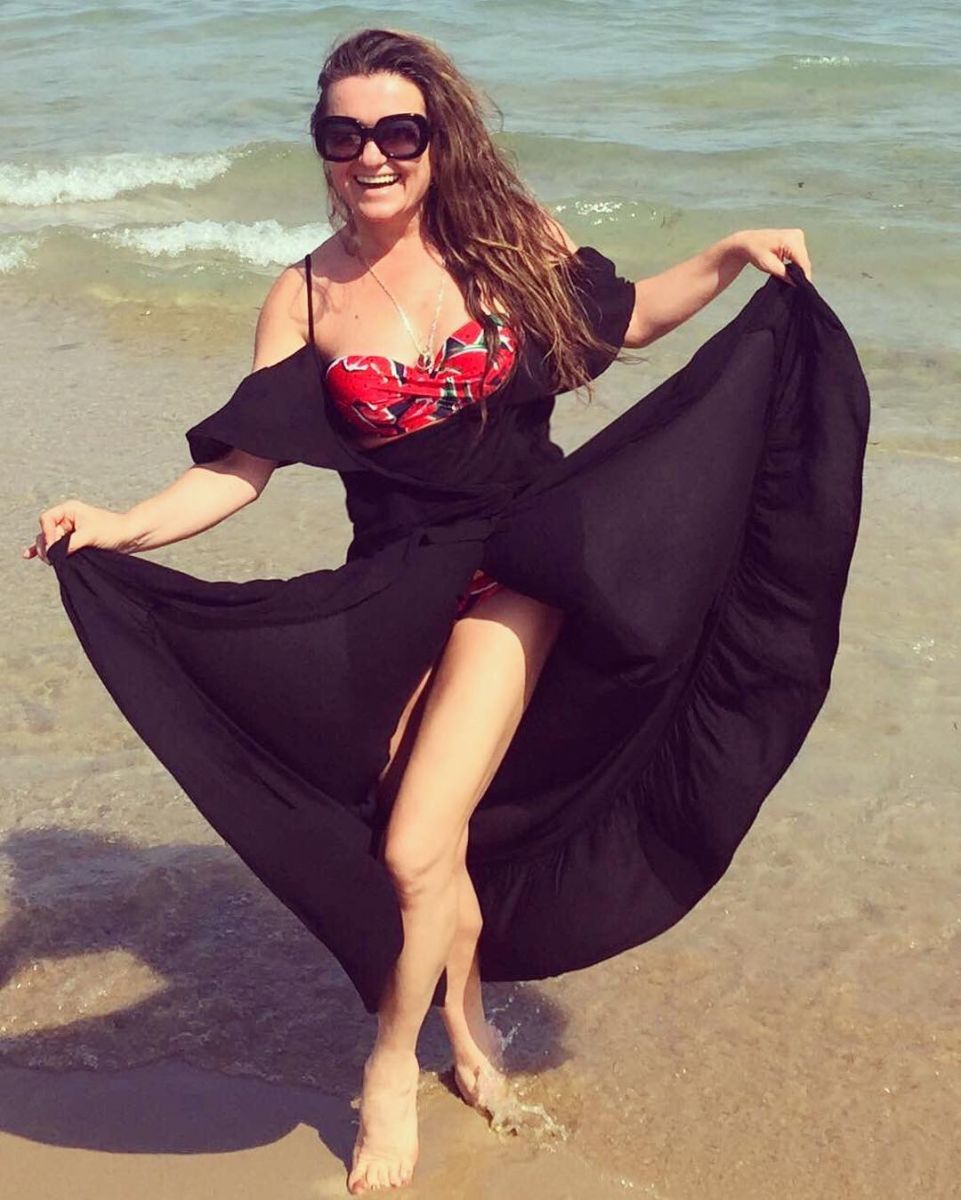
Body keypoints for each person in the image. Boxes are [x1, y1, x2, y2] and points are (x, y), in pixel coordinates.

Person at [23, 27, 868, 1198]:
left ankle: (386, 1066)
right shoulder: (302, 293)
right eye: (344, 134)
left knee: (414, 844)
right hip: (393, 582)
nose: (371, 155)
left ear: (435, 140)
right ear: (321, 144)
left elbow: (626, 319)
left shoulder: (509, 242)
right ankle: (469, 1038)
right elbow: (239, 469)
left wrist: (728, 252)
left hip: (523, 563)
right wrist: (120, 524)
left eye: (397, 131)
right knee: (425, 838)